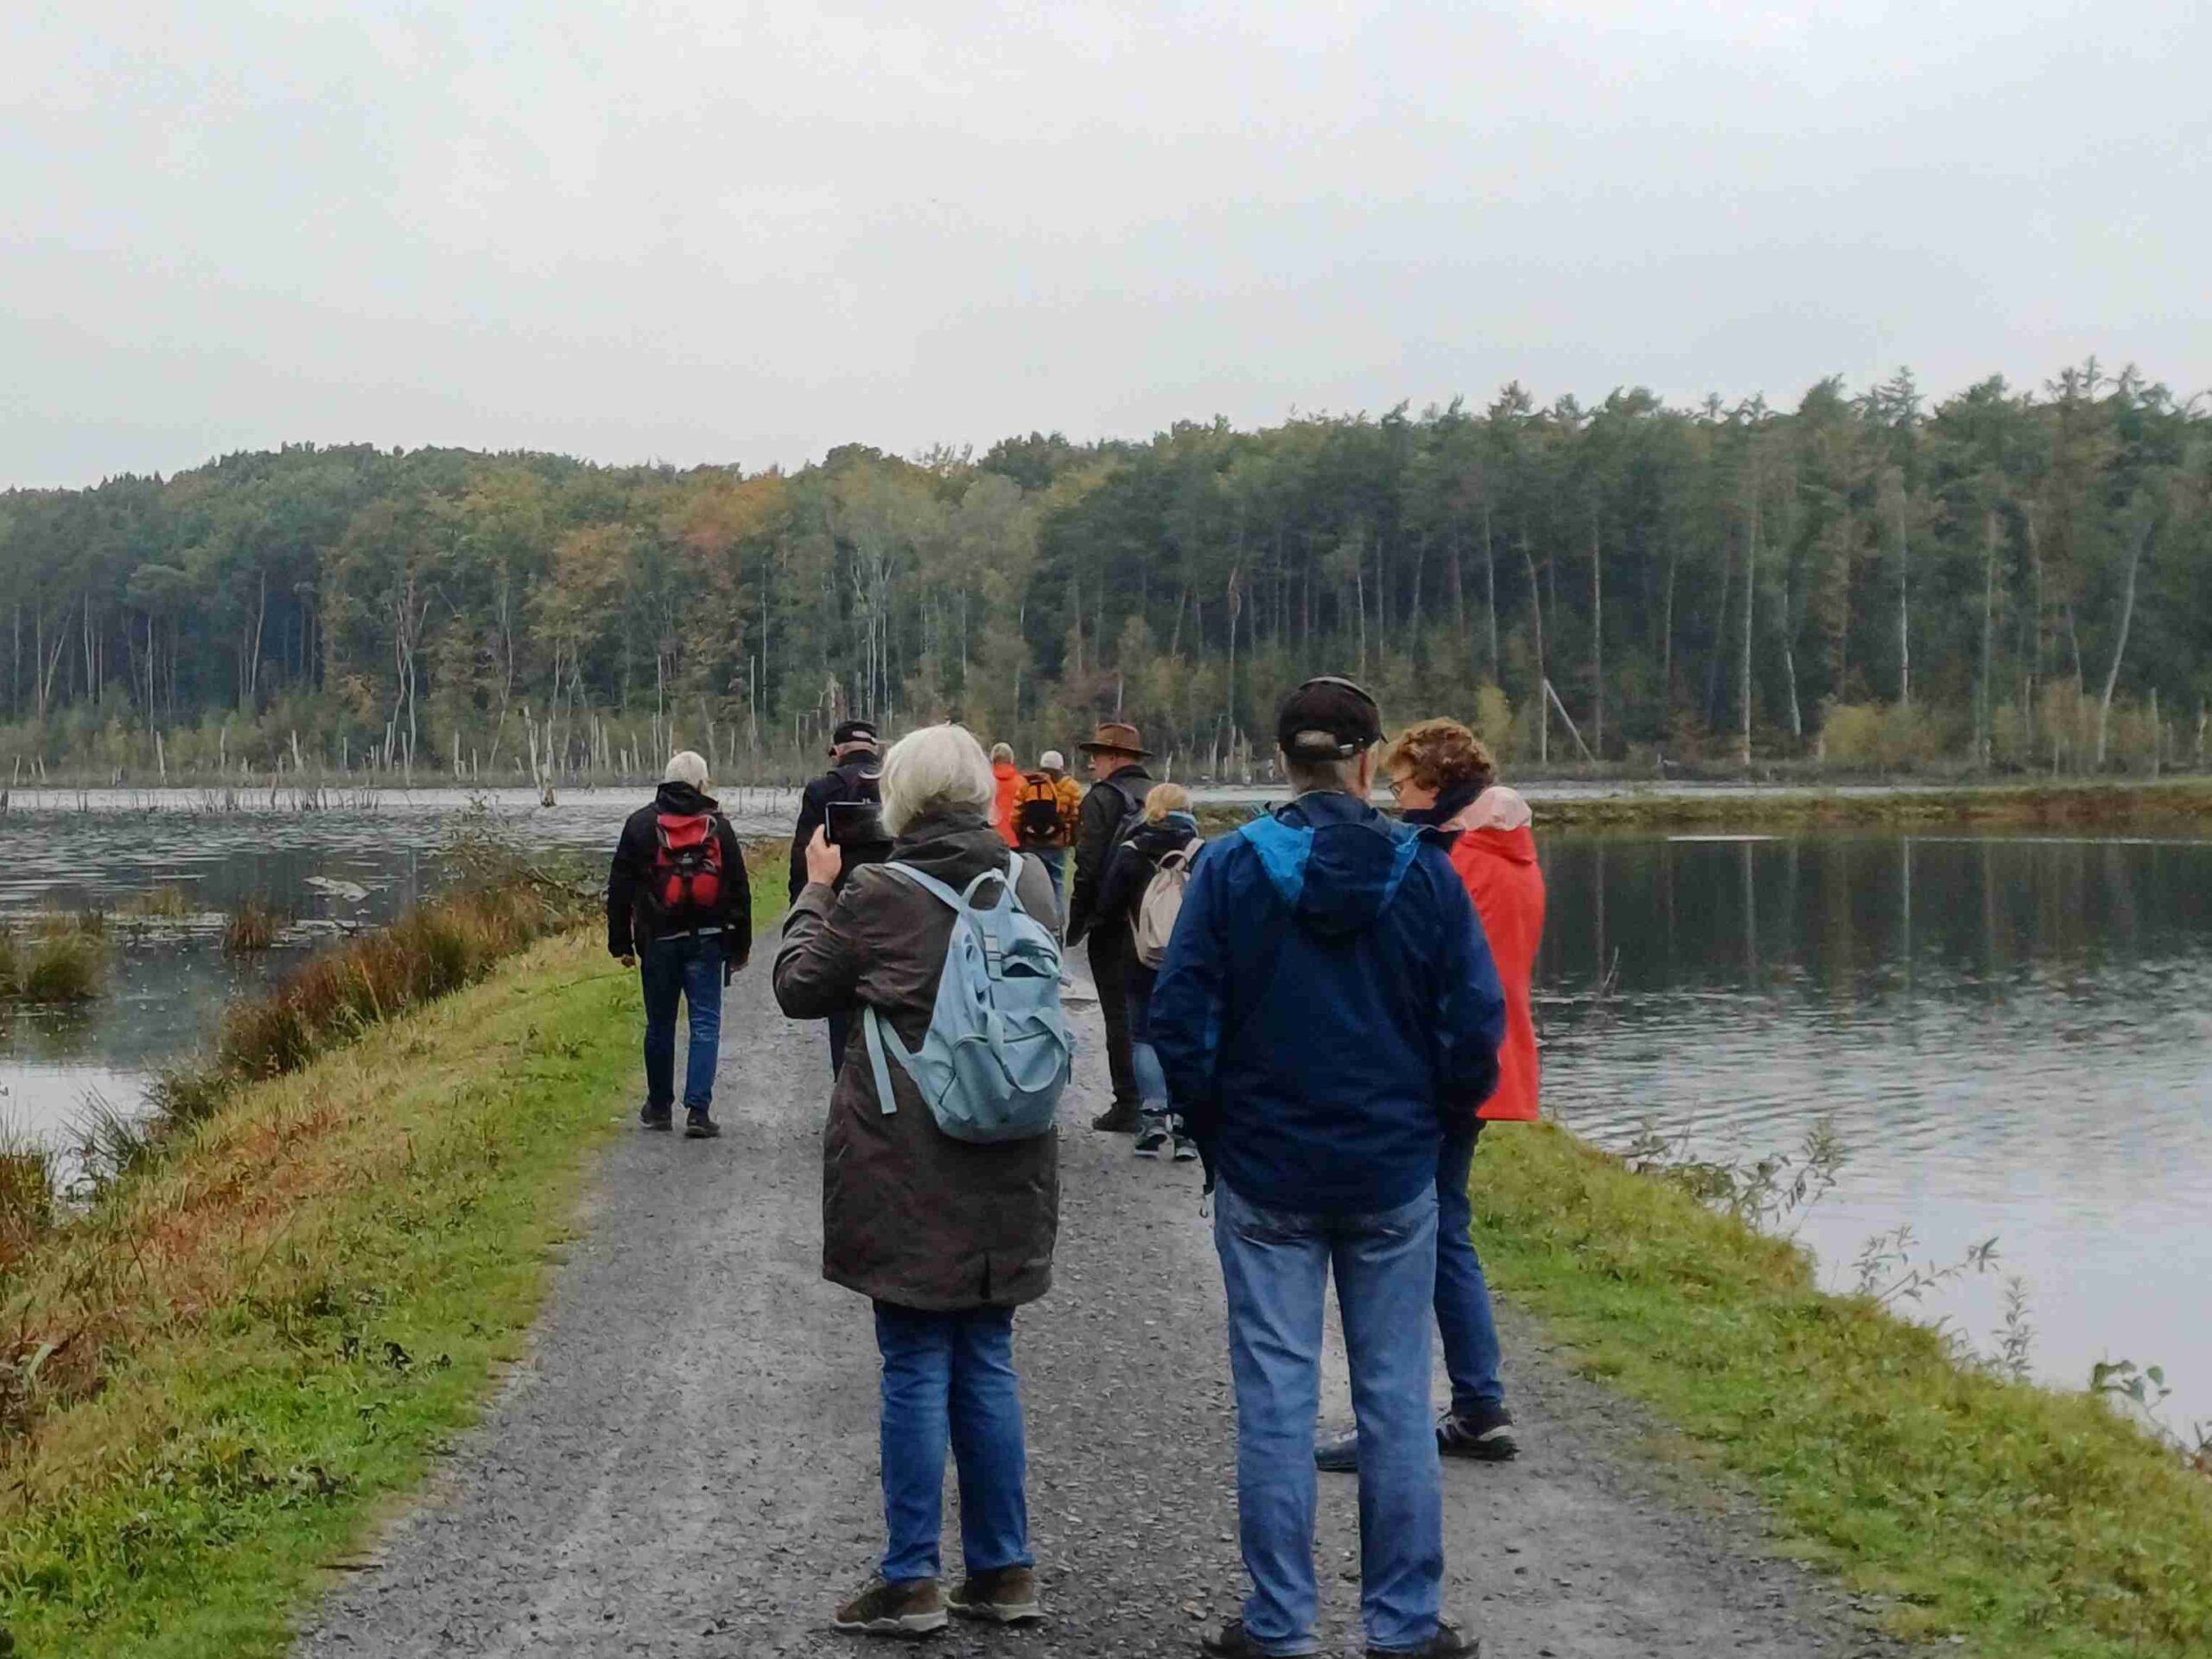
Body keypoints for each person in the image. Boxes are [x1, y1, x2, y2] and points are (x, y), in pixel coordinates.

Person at [1152, 677, 1503, 1659]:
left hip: (1266, 1171)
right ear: (1366, 760)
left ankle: (1279, 1625)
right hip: (1392, 1170)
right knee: (1395, 1397)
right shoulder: (1426, 871)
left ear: (1283, 760)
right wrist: (1434, 1127)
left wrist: (1218, 1134)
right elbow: (1474, 1024)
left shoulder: (1230, 867)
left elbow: (1180, 1021)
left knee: (1276, 1399)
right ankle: (1403, 1626)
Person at [772, 723, 1061, 1637]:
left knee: (913, 1359)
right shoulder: (1030, 881)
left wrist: (816, 891)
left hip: (907, 1159)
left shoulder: (877, 892)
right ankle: (1003, 1571)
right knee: (987, 1355)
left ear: (901, 797)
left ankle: (910, 1580)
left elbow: (798, 987)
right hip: (1010, 1149)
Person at [1317, 721, 1544, 1475]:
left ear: (1439, 784)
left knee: (1406, 1239)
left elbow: (1430, 975)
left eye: (1405, 786)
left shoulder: (1458, 860)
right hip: (1486, 1064)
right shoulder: (1510, 851)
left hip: (1441, 1068)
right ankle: (1478, 1405)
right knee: (1445, 1229)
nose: (1397, 801)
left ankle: (1412, 1419)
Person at [606, 750, 752, 1139]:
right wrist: (740, 947)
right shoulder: (719, 826)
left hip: (658, 941)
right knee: (705, 1022)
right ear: (702, 784)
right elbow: (739, 889)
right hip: (709, 940)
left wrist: (620, 943)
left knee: (660, 1023)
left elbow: (619, 888)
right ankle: (698, 1112)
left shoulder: (640, 824)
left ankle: (658, 1107)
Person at [1094, 781, 1204, 1161]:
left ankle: (1153, 1115)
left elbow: (1107, 905)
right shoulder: (1202, 851)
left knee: (1143, 1034)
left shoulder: (1132, 850)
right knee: (1186, 1036)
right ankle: (1186, 1129)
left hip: (1140, 955)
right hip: (1189, 959)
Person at [1065, 721, 1154, 1132]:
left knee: (1119, 1013)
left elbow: (1087, 866)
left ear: (1115, 757)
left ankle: (1129, 1104)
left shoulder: (1102, 798)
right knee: (1156, 1013)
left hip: (1115, 923)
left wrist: (1079, 923)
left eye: (1098, 756)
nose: (1093, 764)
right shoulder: (1161, 795)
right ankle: (1165, 1105)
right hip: (1161, 922)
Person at [790, 718, 885, 1073]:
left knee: (841, 1005)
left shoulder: (821, 790)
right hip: (894, 909)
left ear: (837, 751)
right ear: (875, 749)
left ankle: (846, 1084)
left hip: (839, 912)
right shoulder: (897, 785)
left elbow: (805, 857)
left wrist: (801, 910)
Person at [1012, 751, 1077, 910]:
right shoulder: (1071, 787)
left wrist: (1022, 837)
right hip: (1057, 843)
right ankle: (1058, 921)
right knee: (1057, 883)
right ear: (1061, 767)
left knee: (1034, 886)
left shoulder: (1028, 785)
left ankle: (1036, 919)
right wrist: (1070, 838)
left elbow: (1016, 815)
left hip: (1032, 842)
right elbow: (1077, 815)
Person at [988, 742, 1024, 849]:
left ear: (992, 759)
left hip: (990, 837)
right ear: (1011, 759)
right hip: (1016, 838)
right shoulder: (1022, 782)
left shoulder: (985, 782)